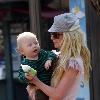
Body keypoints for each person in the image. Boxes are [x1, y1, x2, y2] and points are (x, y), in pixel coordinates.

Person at [26, 13, 91, 100]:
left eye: (56, 35)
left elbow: (58, 95)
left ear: (69, 37)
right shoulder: (58, 57)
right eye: (52, 34)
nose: (52, 38)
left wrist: (35, 81)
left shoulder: (73, 62)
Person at [17, 32, 57, 100]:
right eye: (30, 45)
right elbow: (20, 77)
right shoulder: (25, 64)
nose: (34, 46)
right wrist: (26, 77)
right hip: (38, 89)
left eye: (36, 43)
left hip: (52, 84)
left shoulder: (42, 53)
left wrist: (49, 59)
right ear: (22, 51)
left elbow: (52, 54)